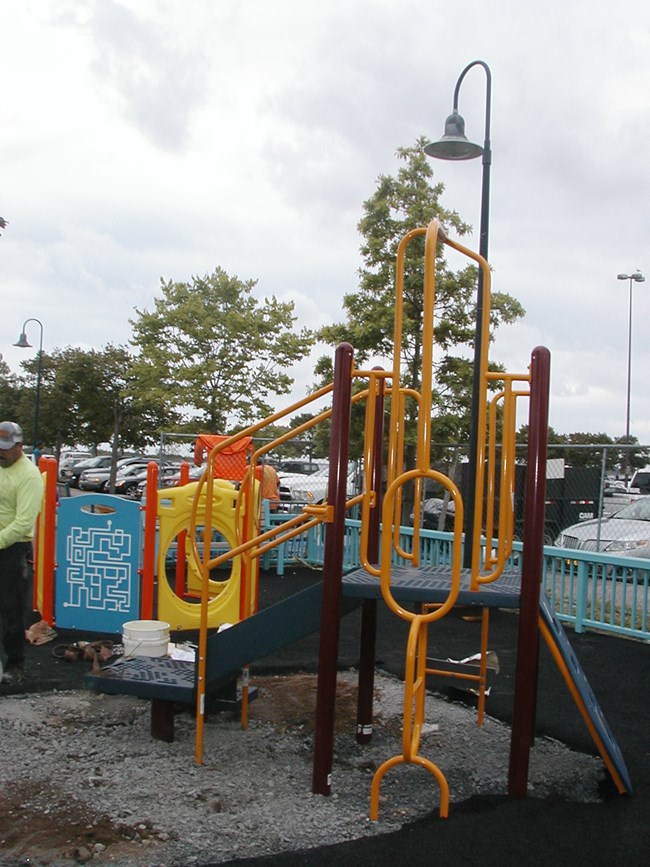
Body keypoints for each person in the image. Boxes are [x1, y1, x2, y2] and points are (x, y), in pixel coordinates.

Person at [0, 421, 44, 684]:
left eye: (6, 448)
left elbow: (23, 523)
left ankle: (16, 663)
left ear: (19, 446)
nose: (1, 452)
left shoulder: (29, 475)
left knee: (12, 608)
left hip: (14, 550)